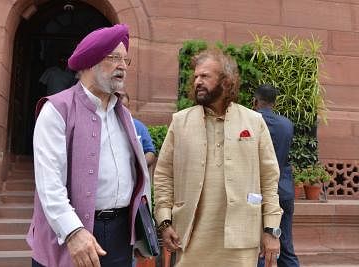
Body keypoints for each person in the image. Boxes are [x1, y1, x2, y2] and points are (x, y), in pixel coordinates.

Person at [27, 24, 151, 267]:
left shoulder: (123, 114)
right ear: (89, 62)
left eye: (126, 60)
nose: (123, 66)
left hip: (119, 236)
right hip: (70, 234)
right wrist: (73, 232)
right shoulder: (57, 109)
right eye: (114, 57)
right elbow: (49, 183)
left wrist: (140, 231)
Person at [154, 48, 282, 267]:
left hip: (240, 240)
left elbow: (269, 179)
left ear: (226, 81)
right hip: (189, 237)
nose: (197, 82)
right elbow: (164, 175)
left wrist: (271, 229)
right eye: (195, 77)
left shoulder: (253, 122)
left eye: (205, 76)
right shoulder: (180, 121)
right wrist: (165, 222)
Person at [253, 84, 300, 267]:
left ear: (255, 101)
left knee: (257, 247)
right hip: (284, 190)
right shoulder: (287, 124)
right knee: (286, 246)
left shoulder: (252, 122)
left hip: (258, 193)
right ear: (275, 102)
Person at [118, 91, 156, 167]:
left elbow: (150, 152)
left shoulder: (139, 126)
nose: (121, 110)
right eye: (117, 107)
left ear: (128, 107)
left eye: (124, 106)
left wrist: (140, 167)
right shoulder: (103, 125)